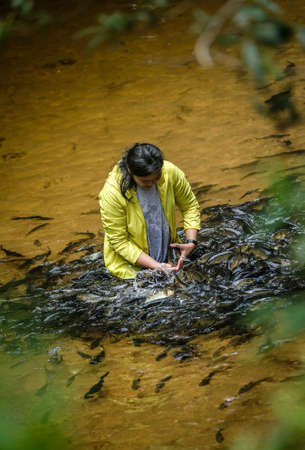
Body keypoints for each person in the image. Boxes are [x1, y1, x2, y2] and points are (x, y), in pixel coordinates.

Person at [98, 143, 200, 279]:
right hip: (129, 268)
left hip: (167, 254)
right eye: (145, 181)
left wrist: (191, 242)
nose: (152, 184)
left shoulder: (169, 172)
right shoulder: (112, 194)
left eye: (157, 178)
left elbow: (189, 206)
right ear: (129, 170)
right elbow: (120, 242)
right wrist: (157, 266)